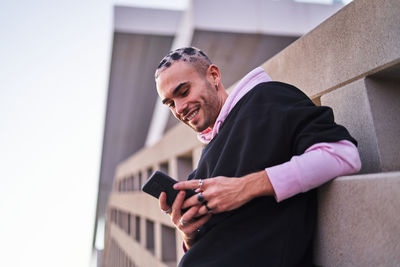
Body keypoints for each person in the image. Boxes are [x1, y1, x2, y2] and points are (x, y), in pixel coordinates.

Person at [154, 47, 361, 266]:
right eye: (170, 104)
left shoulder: (267, 97)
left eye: (184, 92)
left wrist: (244, 187)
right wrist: (190, 233)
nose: (179, 109)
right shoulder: (209, 153)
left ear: (214, 76)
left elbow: (342, 154)